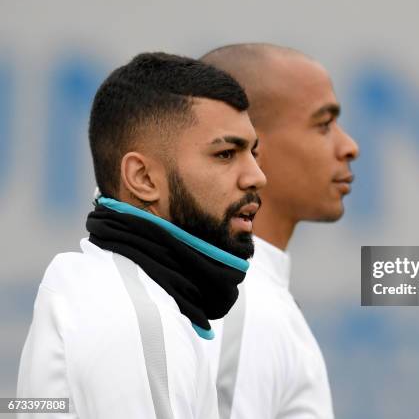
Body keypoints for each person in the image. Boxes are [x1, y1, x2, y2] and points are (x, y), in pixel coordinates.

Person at [16, 52, 266, 418]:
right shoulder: (140, 320)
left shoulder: (104, 289)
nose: (257, 176)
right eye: (226, 154)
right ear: (143, 178)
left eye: (253, 154)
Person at [200, 44, 360, 419]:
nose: (349, 146)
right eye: (323, 124)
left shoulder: (248, 296)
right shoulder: (240, 304)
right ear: (250, 145)